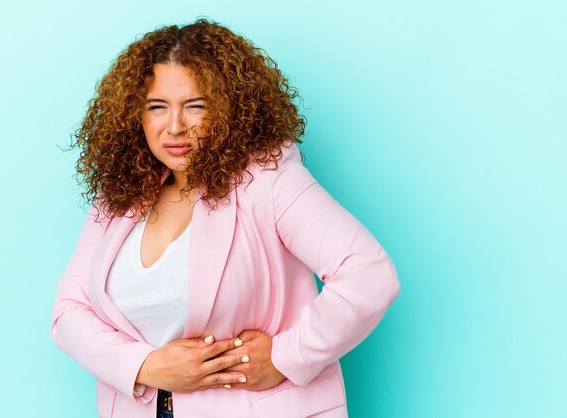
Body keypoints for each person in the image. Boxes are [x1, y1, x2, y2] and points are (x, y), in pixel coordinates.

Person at [50, 18, 400, 418]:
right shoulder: (117, 198)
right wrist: (143, 366)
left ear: (228, 109)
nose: (175, 126)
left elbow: (369, 274)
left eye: (195, 106)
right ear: (136, 116)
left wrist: (286, 357)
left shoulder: (268, 181)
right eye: (157, 107)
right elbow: (68, 311)